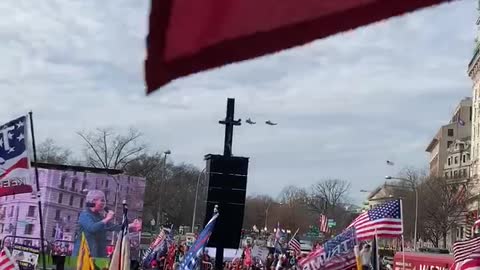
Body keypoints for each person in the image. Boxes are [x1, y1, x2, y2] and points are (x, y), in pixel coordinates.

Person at [72, 190, 141, 258]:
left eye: (104, 201)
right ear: (93, 201)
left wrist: (131, 225)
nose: (103, 203)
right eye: (101, 200)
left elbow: (115, 227)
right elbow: (92, 228)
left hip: (98, 253)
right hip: (83, 254)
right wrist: (107, 219)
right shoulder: (85, 215)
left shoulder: (99, 217)